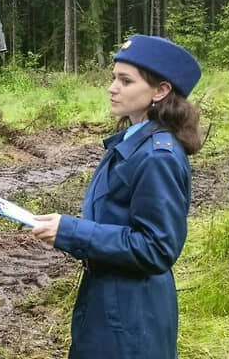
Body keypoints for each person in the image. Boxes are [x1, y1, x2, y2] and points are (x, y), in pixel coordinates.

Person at [31, 34, 202, 359]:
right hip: (111, 300)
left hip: (131, 315)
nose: (112, 87)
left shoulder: (157, 156)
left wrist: (70, 231)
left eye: (125, 81)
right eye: (114, 78)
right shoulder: (134, 140)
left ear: (160, 91)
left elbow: (157, 248)